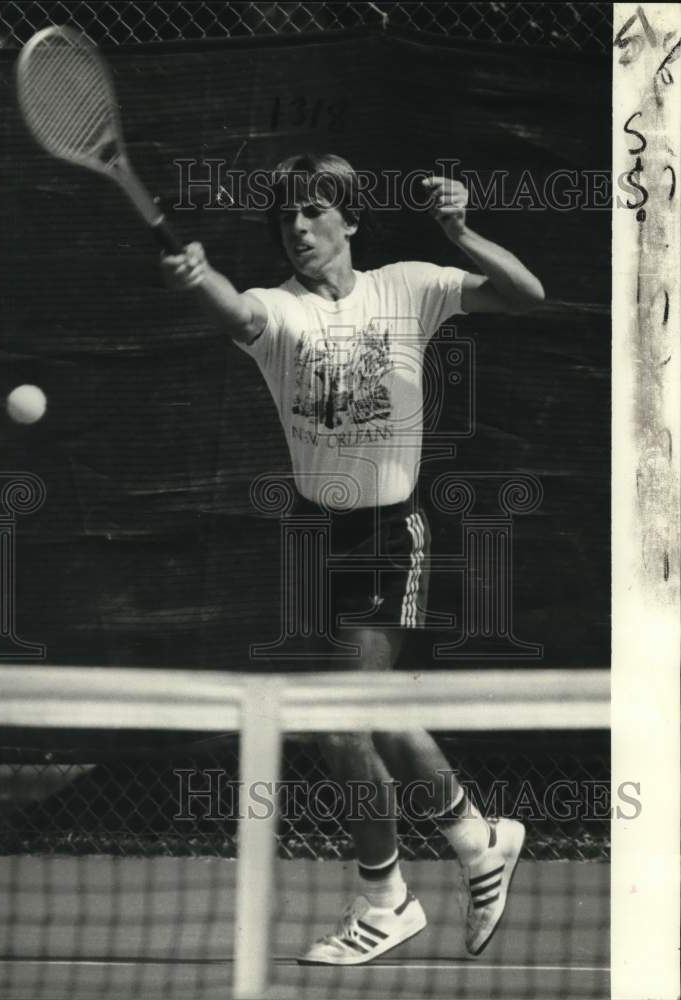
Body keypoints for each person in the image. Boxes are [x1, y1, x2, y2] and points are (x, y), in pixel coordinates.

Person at [160, 153, 545, 964]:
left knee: (338, 720)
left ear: (349, 218)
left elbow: (524, 293)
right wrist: (199, 277)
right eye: (287, 218)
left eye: (314, 212)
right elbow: (236, 313)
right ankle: (480, 842)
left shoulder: (408, 286)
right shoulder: (280, 311)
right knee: (376, 717)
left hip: (386, 533)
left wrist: (461, 231)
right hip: (318, 535)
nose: (299, 229)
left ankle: (387, 899)